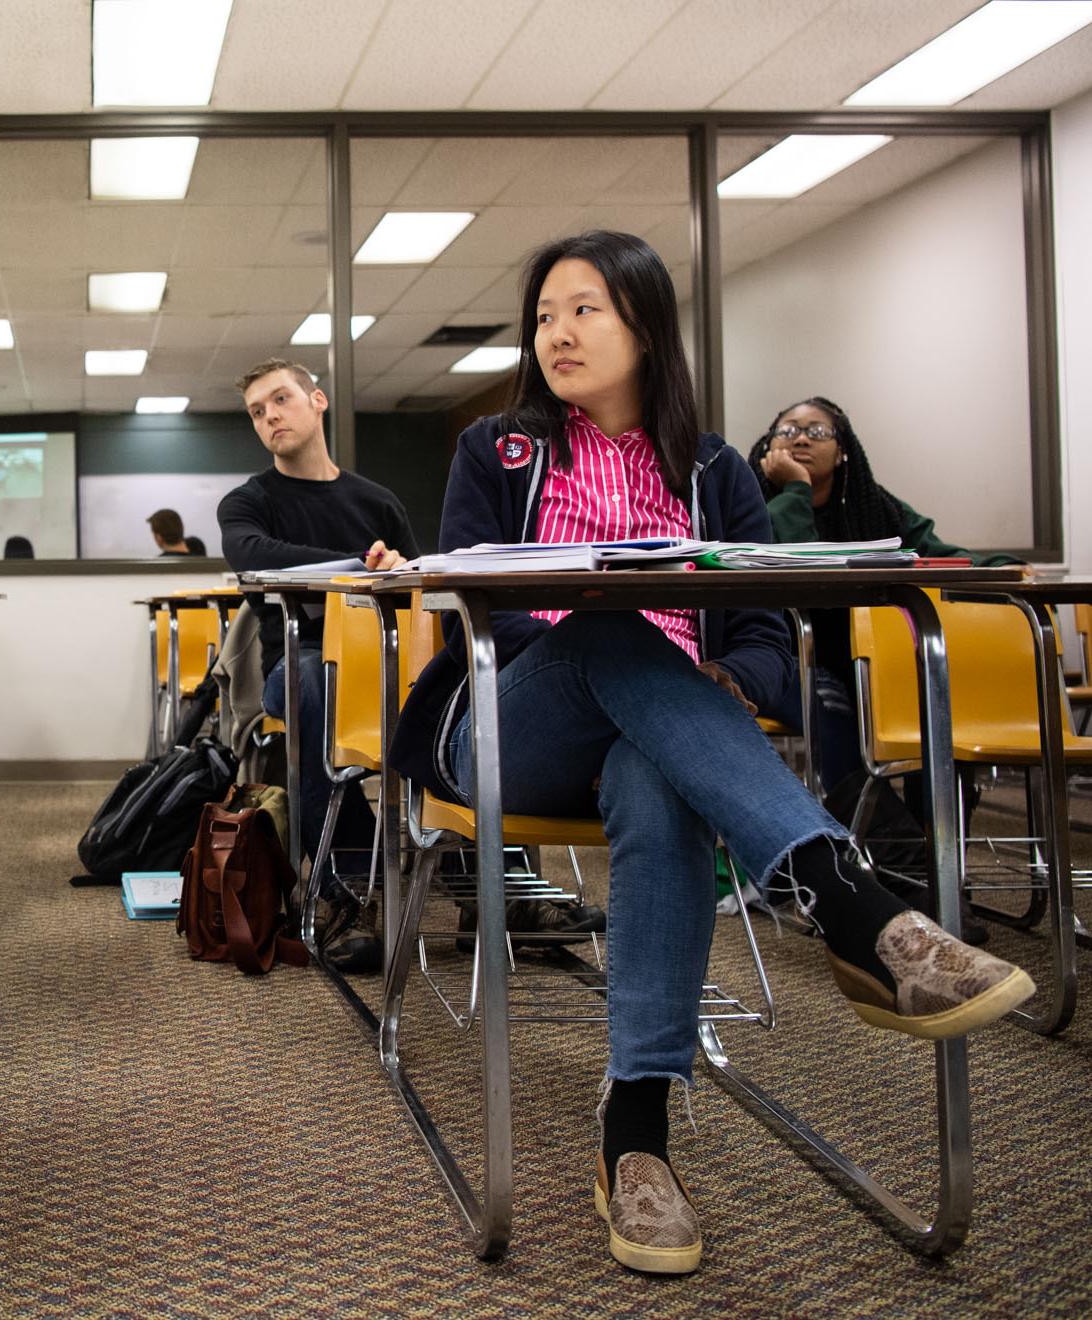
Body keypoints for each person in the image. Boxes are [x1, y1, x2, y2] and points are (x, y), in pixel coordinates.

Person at [393, 230, 1033, 1277]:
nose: (558, 331)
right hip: (513, 726)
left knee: (658, 777)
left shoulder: (713, 470)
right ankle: (849, 901)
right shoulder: (496, 450)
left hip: (667, 739)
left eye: (585, 309)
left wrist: (734, 685)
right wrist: (632, 643)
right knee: (608, 624)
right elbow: (486, 611)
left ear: (646, 325)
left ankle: (635, 1131)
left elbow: (767, 636)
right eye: (546, 314)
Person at [217, 359, 420, 973]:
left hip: (387, 657)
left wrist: (393, 566)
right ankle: (353, 890)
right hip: (302, 658)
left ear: (318, 401)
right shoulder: (248, 503)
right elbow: (255, 558)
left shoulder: (376, 501)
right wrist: (360, 563)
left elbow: (414, 580)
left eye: (281, 399)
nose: (270, 415)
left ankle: (496, 887)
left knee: (477, 685)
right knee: (310, 688)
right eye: (257, 411)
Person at [748, 397, 1022, 795]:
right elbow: (802, 567)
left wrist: (1003, 565)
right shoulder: (755, 504)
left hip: (860, 657)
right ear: (770, 448)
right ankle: (879, 836)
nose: (801, 440)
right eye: (787, 431)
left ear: (842, 451)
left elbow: (933, 552)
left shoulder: (872, 507)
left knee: (929, 696)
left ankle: (930, 830)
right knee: (829, 702)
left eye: (817, 431)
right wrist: (796, 489)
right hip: (784, 655)